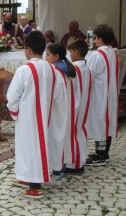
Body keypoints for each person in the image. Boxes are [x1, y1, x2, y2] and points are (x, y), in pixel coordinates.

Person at [7, 31, 65, 198]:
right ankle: (27, 177)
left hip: (27, 116)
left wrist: (15, 113)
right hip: (46, 115)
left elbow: (12, 97)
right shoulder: (52, 69)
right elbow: (57, 94)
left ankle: (35, 186)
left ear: (29, 49)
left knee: (29, 149)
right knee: (34, 148)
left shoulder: (24, 70)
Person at [85, 24, 119, 166]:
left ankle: (101, 155)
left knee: (101, 120)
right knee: (107, 120)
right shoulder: (113, 53)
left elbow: (88, 75)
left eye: (95, 38)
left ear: (99, 39)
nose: (94, 40)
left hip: (100, 93)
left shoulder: (98, 55)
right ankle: (104, 152)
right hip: (110, 92)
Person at [46, 43, 77, 185]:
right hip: (66, 107)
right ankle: (60, 168)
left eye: (48, 55)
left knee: (57, 138)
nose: (46, 57)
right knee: (61, 137)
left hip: (57, 109)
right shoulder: (66, 67)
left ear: (56, 56)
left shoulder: (56, 71)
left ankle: (58, 171)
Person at [65, 39, 92, 174]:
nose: (69, 55)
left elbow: (68, 87)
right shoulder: (86, 68)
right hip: (83, 104)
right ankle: (80, 159)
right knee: (79, 132)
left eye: (70, 52)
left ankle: (74, 164)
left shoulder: (73, 69)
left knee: (72, 133)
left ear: (76, 52)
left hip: (74, 105)